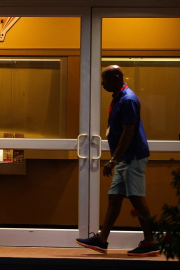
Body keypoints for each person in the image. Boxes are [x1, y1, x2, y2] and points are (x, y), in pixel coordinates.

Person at [75, 65, 159, 256]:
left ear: (116, 78)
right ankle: (101, 240)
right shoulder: (120, 97)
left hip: (132, 158)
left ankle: (151, 242)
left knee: (138, 201)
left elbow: (128, 133)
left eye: (105, 79)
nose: (102, 83)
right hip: (125, 159)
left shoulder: (128, 99)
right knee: (114, 198)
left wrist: (113, 159)